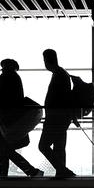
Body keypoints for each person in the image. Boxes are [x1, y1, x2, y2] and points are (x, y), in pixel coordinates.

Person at [0, 59, 43, 178]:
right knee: (4, 150)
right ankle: (8, 174)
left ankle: (31, 171)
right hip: (8, 118)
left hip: (7, 119)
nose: (2, 69)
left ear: (8, 67)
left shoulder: (8, 78)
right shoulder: (13, 78)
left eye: (3, 67)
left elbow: (6, 99)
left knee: (4, 149)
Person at [38, 48, 76, 178]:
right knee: (59, 147)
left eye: (44, 60)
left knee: (43, 146)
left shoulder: (59, 75)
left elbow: (62, 98)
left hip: (55, 117)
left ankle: (62, 170)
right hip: (62, 117)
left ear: (47, 60)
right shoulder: (61, 74)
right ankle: (61, 172)